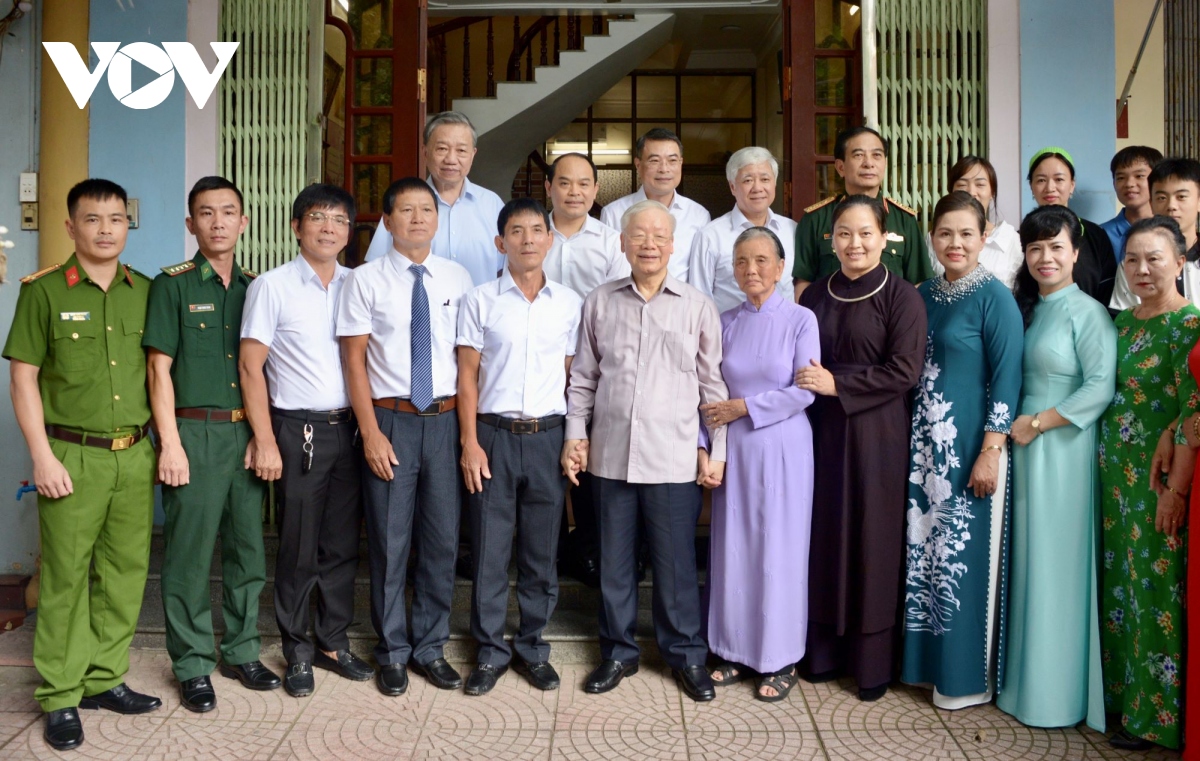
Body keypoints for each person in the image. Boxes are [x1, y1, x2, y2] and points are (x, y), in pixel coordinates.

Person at [4, 179, 160, 750]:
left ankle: (104, 677)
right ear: (71, 227)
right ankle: (61, 694)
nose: (104, 230)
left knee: (123, 576)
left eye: (116, 219)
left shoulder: (144, 290)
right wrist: (41, 456)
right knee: (66, 577)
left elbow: (155, 374)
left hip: (134, 454)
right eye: (92, 220)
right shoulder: (43, 292)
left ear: (127, 225)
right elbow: (22, 377)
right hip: (70, 454)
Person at [564, 199, 728, 703]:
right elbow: (583, 378)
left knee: (676, 565)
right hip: (610, 456)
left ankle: (685, 656)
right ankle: (617, 652)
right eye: (639, 235)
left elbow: (712, 387)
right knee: (613, 562)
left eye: (659, 236)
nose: (649, 244)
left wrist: (715, 449)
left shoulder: (697, 305)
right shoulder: (600, 301)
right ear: (623, 242)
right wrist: (575, 434)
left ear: (673, 245)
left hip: (674, 456)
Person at [142, 177, 278, 712]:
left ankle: (242, 650)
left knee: (248, 551)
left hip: (247, 433)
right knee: (189, 557)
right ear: (190, 224)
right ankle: (193, 663)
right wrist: (168, 444)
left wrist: (263, 435)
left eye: (228, 212)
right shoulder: (171, 285)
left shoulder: (257, 287)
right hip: (192, 433)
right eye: (206, 213)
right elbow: (159, 370)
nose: (218, 222)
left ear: (244, 222)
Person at [338, 177, 476, 696]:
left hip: (444, 419)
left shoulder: (458, 278)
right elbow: (354, 361)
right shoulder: (365, 280)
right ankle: (392, 650)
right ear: (388, 221)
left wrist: (466, 436)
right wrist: (370, 432)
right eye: (406, 210)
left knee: (442, 541)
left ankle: (430, 647)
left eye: (426, 210)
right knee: (392, 543)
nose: (418, 218)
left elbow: (467, 362)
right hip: (390, 419)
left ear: (436, 220)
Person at [239, 184, 371, 698]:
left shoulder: (357, 284)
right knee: (298, 546)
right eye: (317, 217)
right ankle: (296, 650)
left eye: (339, 220)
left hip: (350, 429)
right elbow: (252, 369)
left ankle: (332, 642)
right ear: (297, 227)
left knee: (341, 545)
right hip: (299, 430)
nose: (328, 227)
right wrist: (265, 439)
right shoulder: (271, 286)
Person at [796, 194, 927, 701]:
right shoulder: (814, 297)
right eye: (845, 233)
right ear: (830, 238)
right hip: (822, 431)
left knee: (872, 536)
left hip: (878, 432)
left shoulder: (902, 297)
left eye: (866, 233)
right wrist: (820, 390)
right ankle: (823, 652)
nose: (855, 243)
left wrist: (840, 386)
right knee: (824, 532)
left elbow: (905, 370)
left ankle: (871, 665)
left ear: (884, 238)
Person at [900, 191, 1024, 708]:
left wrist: (991, 449)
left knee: (961, 556)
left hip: (971, 445)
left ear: (985, 237)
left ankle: (965, 678)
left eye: (966, 233)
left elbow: (1007, 377)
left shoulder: (995, 297)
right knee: (923, 551)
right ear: (931, 238)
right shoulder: (921, 293)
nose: (955, 243)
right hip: (923, 449)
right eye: (945, 233)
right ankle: (926, 667)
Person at [997, 204, 1116, 734]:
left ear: (1075, 252)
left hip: (1062, 450)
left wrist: (1040, 422)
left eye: (1056, 247)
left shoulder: (1087, 312)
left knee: (1056, 571)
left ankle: (1056, 695)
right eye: (1035, 247)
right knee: (1027, 565)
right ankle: (1022, 684)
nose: (1045, 257)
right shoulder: (1027, 307)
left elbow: (1100, 386)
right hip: (1025, 448)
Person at [456, 198, 582, 696]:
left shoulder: (570, 303)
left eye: (537, 230)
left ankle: (532, 646)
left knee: (540, 552)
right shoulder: (481, 299)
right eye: (516, 230)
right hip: (493, 436)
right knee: (489, 550)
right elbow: (466, 377)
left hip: (549, 436)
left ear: (550, 240)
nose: (528, 239)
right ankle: (489, 653)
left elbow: (577, 380)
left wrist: (574, 439)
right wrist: (469, 442)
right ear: (499, 242)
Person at [701, 227, 819, 703]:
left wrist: (745, 407)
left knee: (780, 551)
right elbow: (712, 391)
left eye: (762, 261)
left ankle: (780, 657)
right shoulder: (724, 320)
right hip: (737, 449)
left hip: (784, 446)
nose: (752, 270)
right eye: (743, 261)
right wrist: (715, 444)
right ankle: (731, 649)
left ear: (780, 266)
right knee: (733, 548)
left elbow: (805, 388)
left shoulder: (801, 318)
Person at [1098, 217, 1199, 751]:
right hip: (1114, 478)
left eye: (1154, 258)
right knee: (1123, 590)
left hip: (1159, 482)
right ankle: (1121, 701)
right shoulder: (1122, 324)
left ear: (1181, 262)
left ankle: (1158, 719)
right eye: (1132, 259)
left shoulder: (1190, 327)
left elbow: (1195, 410)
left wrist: (1178, 489)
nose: (1141, 269)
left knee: (1159, 592)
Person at [542, 151, 629, 587]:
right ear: (549, 188)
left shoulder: (612, 242)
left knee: (591, 465)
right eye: (564, 183)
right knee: (544, 462)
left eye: (583, 184)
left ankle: (590, 551)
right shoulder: (533, 235)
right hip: (538, 370)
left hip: (594, 368)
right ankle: (550, 553)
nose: (574, 192)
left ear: (596, 191)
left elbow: (616, 309)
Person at [362, 112, 505, 286]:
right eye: (442, 149)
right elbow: (376, 268)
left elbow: (507, 267)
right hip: (417, 311)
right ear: (425, 151)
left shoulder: (492, 204)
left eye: (461, 150)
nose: (451, 159)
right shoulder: (402, 202)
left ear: (473, 154)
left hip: (479, 312)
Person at [792, 126, 932, 299]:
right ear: (840, 167)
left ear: (885, 164)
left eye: (877, 155)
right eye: (858, 155)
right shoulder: (816, 219)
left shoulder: (904, 219)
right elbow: (803, 284)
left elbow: (919, 282)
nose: (869, 163)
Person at [688, 147, 797, 313]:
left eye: (765, 179)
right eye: (748, 180)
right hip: (730, 336)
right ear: (732, 187)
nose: (757, 188)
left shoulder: (792, 230)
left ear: (774, 183)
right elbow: (698, 300)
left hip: (786, 335)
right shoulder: (711, 236)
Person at [601, 128, 711, 283]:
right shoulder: (613, 213)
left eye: (672, 160)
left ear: (681, 163)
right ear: (638, 165)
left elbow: (701, 276)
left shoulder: (698, 215)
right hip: (626, 303)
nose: (664, 169)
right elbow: (607, 271)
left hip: (680, 305)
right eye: (654, 160)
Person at [1026, 146, 1117, 306]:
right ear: (1031, 186)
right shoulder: (1022, 236)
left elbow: (1108, 289)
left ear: (1072, 185)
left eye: (1059, 179)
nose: (1050, 188)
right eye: (1041, 180)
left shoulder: (1096, 235)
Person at [1111, 158, 1200, 309]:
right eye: (1161, 198)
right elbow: (1124, 321)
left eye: (1181, 197)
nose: (1171, 206)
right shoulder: (1134, 263)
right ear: (1151, 203)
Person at [926, 156, 1024, 288]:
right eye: (962, 185)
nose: (971, 192)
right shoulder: (935, 237)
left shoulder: (1011, 240)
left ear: (992, 192)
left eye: (980, 185)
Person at [1101, 146, 1163, 260]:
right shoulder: (1100, 234)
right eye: (1121, 177)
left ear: (1157, 181)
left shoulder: (1171, 230)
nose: (1129, 184)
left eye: (1139, 176)